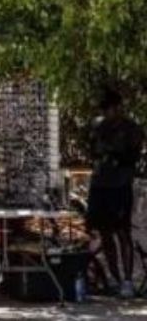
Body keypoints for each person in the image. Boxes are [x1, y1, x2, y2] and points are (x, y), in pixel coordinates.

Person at [86, 86, 144, 299]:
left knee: (122, 232)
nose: (106, 114)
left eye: (109, 109)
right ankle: (114, 277)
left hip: (120, 185)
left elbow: (133, 157)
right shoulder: (98, 126)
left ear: (118, 108)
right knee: (105, 232)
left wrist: (114, 155)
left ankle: (127, 280)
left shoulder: (131, 129)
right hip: (100, 184)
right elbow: (91, 151)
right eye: (104, 110)